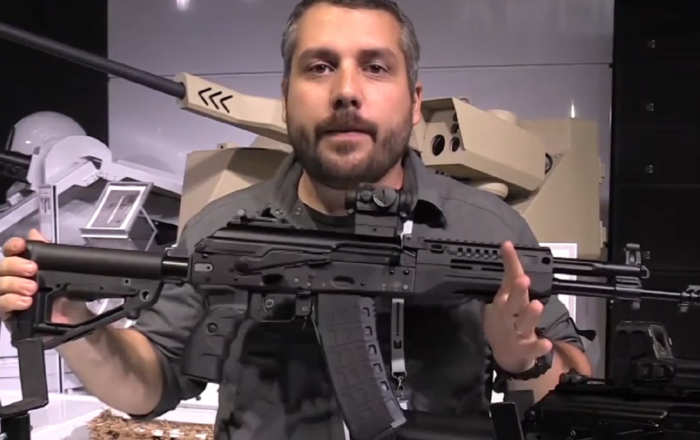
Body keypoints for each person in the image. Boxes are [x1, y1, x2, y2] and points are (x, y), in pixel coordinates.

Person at [0, 0, 592, 439]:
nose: (347, 91)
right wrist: (70, 320)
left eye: (375, 67)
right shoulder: (224, 226)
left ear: (415, 102)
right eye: (320, 67)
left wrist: (526, 358)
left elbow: (575, 390)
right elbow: (148, 382)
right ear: (286, 96)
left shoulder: (488, 230)